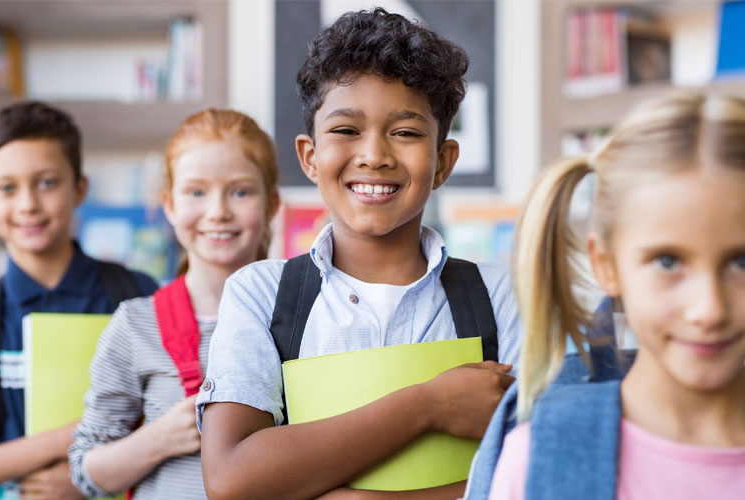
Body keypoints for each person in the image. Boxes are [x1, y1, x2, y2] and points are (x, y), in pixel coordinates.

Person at [196, 8, 521, 500]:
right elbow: (232, 480)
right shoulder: (262, 295)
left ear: (442, 162)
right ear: (309, 156)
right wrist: (428, 405)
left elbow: (540, 473)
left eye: (407, 132)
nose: (374, 155)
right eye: (346, 130)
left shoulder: (502, 298)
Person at [481, 93, 745, 500]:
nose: (709, 309)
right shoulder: (539, 463)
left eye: (741, 262)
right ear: (606, 266)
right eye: (668, 262)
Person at [0, 101, 158, 500]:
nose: (27, 204)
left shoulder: (141, 296)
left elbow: (174, 427)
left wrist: (90, 477)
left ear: (80, 187)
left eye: (46, 182)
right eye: (7, 188)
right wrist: (68, 440)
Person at [68, 108, 280, 499]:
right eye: (196, 192)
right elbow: (87, 473)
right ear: (169, 205)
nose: (218, 211)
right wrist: (159, 439)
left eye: (240, 191)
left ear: (271, 204)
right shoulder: (135, 325)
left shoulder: (307, 316)